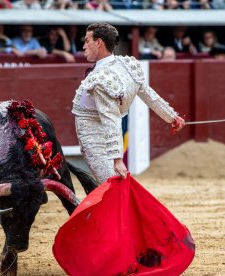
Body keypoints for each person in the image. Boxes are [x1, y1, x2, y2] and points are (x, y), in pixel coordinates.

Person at [72, 22, 185, 184]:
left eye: (87, 40)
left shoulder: (101, 79)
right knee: (113, 185)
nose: (84, 46)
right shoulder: (127, 65)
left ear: (99, 42)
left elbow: (110, 119)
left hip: (94, 138)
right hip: (98, 134)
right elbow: (149, 96)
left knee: (110, 185)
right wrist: (172, 117)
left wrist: (117, 159)